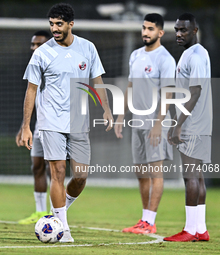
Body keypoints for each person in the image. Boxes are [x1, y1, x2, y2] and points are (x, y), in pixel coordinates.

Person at [21, 3, 113, 243]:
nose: (54, 29)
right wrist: (26, 126)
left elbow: (98, 80)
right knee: (58, 172)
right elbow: (31, 90)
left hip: (78, 122)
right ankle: (63, 230)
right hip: (50, 122)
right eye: (51, 24)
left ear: (71, 24)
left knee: (81, 176)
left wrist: (107, 110)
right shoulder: (41, 53)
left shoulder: (87, 48)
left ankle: (57, 213)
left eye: (59, 24)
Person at [114, 13, 175, 234]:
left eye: (150, 29)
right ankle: (144, 220)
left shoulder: (165, 59)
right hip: (137, 123)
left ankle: (151, 221)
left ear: (160, 33)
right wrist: (121, 115)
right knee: (140, 171)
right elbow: (130, 87)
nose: (145, 32)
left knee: (155, 171)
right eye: (144, 28)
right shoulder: (136, 55)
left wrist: (159, 124)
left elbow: (168, 94)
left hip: (156, 123)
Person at [164, 13, 211, 242]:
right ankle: (200, 229)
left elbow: (195, 93)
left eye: (183, 30)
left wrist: (178, 125)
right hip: (198, 123)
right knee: (198, 176)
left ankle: (189, 230)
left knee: (190, 176)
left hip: (193, 124)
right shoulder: (190, 54)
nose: (179, 34)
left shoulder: (196, 56)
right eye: (176, 30)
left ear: (195, 30)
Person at [16, 30, 52, 224]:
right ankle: (40, 212)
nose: (34, 48)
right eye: (32, 44)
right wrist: (25, 126)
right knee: (37, 167)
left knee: (56, 170)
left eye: (38, 44)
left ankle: (57, 214)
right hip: (38, 128)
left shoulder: (56, 67)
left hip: (56, 128)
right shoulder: (34, 68)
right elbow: (32, 102)